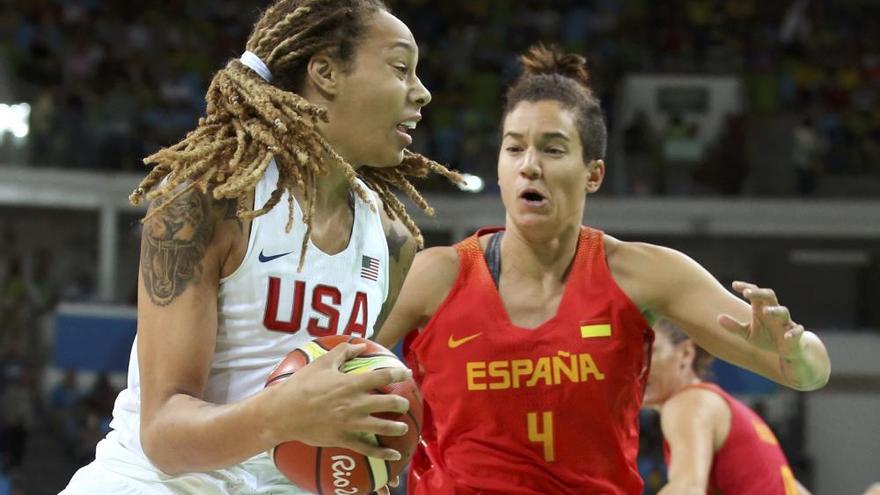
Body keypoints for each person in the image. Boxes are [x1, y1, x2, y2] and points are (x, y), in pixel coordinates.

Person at [374, 44, 830, 494]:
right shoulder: (437, 277)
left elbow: (810, 373)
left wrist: (793, 351)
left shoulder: (644, 274)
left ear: (593, 174)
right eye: (514, 149)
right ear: (499, 167)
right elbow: (330, 367)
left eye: (552, 150)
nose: (529, 166)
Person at [62, 1, 458, 493]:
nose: (421, 92)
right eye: (401, 69)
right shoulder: (207, 201)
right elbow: (163, 434)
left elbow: (337, 416)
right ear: (326, 73)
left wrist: (365, 450)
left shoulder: (392, 241)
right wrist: (285, 414)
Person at [645, 319, 812, 495]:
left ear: (686, 353)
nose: (637, 364)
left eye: (651, 351)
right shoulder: (718, 406)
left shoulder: (688, 403)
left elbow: (687, 489)